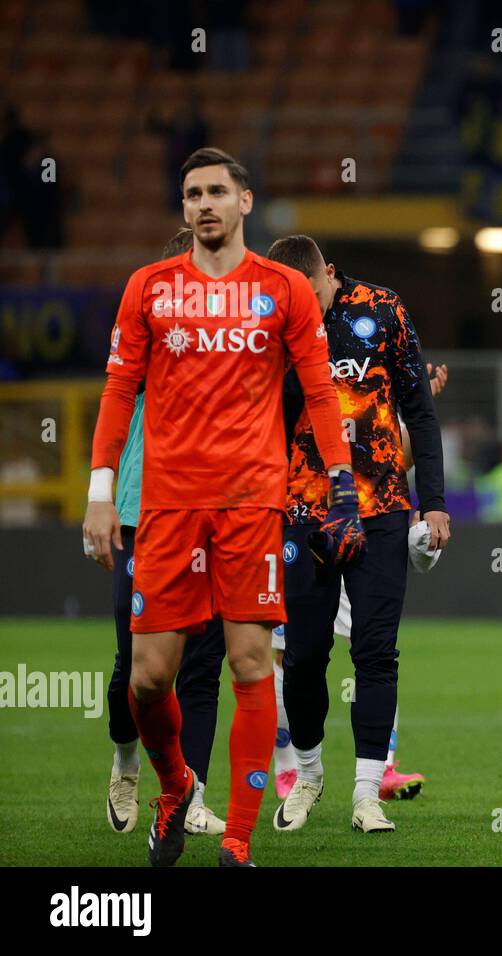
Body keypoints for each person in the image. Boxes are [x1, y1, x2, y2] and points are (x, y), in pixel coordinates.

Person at [82, 147, 359, 868]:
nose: (202, 204)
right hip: (169, 506)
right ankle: (174, 783)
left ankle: (237, 839)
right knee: (147, 678)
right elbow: (117, 394)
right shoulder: (148, 288)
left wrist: (341, 482)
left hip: (250, 502)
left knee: (249, 662)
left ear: (245, 203)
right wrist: (100, 495)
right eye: (191, 194)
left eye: (215, 192)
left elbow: (321, 392)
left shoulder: (284, 291)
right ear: (184, 210)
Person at [265, 235, 448, 835]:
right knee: (305, 655)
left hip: (384, 509)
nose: (305, 307)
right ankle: (309, 775)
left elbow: (419, 408)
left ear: (330, 275)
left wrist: (436, 504)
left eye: (310, 293)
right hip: (304, 512)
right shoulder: (272, 329)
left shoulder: (384, 310)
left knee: (375, 650)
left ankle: (367, 791)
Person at [104, 227, 228, 839]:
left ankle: (189, 794)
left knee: (204, 666)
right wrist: (99, 496)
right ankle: (127, 761)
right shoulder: (146, 326)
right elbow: (115, 402)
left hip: (216, 514)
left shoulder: (234, 331)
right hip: (141, 510)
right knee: (136, 666)